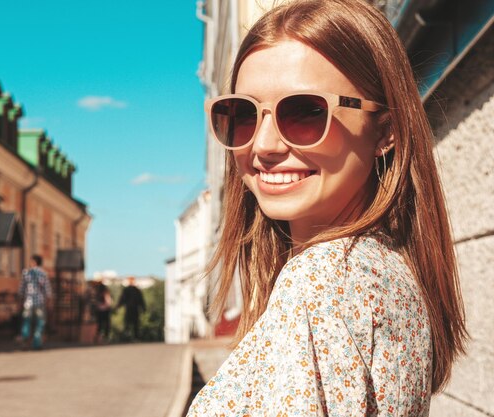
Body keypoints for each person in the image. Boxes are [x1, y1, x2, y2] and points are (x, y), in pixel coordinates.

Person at [187, 1, 468, 415]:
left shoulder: (321, 282)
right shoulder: (387, 269)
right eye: (243, 115)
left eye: (305, 112)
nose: (263, 145)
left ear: (385, 131)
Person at [18, 254, 52, 350]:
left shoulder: (26, 273)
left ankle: (25, 341)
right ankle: (37, 343)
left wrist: (20, 301)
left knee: (26, 322)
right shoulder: (44, 274)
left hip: (28, 302)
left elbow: (21, 289)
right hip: (40, 302)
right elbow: (48, 290)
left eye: (30, 261)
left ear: (34, 262)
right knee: (40, 322)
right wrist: (48, 303)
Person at [116, 276, 145, 341]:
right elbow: (122, 299)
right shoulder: (133, 290)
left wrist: (118, 306)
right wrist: (143, 308)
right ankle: (131, 337)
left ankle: (133, 337)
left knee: (132, 323)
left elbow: (140, 300)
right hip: (131, 309)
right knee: (131, 323)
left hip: (132, 309)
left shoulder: (134, 290)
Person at [90, 278, 113, 343]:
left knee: (100, 324)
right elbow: (108, 300)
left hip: (100, 309)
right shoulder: (103, 290)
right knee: (105, 324)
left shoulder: (97, 290)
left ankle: (99, 337)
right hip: (104, 309)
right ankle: (104, 337)